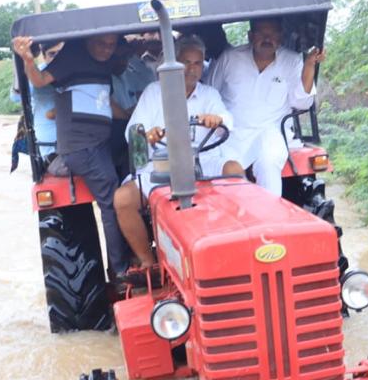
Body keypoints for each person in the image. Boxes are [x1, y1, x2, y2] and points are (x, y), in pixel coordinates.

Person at [113, 35, 243, 268]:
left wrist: (217, 119)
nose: (191, 69)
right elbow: (132, 133)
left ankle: (235, 244)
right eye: (186, 62)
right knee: (122, 199)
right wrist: (147, 134)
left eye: (197, 63)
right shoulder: (154, 92)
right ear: (175, 63)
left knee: (235, 170)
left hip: (203, 161)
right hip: (161, 164)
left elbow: (228, 120)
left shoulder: (209, 95)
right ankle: (148, 262)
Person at [12, 32, 131, 276]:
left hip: (101, 143)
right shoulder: (72, 57)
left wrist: (134, 117)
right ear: (88, 41)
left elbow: (106, 103)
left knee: (133, 168)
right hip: (82, 147)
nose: (107, 49)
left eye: (111, 44)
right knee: (112, 202)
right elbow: (39, 80)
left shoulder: (102, 66)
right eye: (101, 43)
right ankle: (121, 271)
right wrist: (27, 59)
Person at [206, 18, 325, 196]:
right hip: (232, 134)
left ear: (281, 37)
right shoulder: (230, 58)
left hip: (271, 132)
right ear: (250, 36)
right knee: (229, 174)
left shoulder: (292, 61)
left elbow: (302, 102)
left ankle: (271, 217)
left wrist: (308, 65)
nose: (267, 38)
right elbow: (209, 94)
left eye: (273, 33)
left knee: (269, 163)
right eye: (261, 33)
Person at [110, 37, 156, 181]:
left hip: (132, 127)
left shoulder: (125, 77)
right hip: (115, 137)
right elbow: (112, 110)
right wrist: (131, 113)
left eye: (126, 57)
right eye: (120, 57)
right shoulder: (105, 80)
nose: (124, 61)